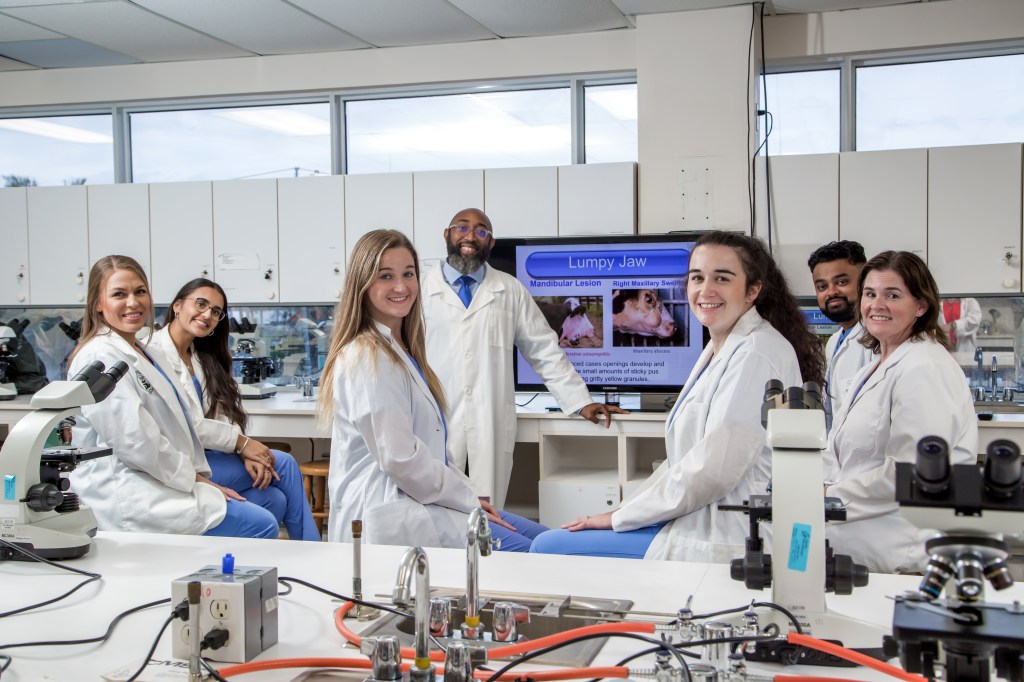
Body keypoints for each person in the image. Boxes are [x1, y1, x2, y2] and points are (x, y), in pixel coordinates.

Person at [531, 231, 824, 561]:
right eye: (697, 277)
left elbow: (712, 470)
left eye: (722, 278)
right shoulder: (724, 346)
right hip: (694, 515)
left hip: (724, 534)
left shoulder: (755, 353)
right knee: (547, 536)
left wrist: (616, 518)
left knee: (546, 548)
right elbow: (683, 463)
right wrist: (626, 511)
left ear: (752, 290)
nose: (705, 290)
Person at [318, 229, 548, 550]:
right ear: (363, 283)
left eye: (408, 274)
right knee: (537, 551)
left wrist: (469, 496)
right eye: (386, 276)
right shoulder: (366, 356)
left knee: (546, 538)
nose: (401, 286)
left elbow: (434, 453)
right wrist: (466, 499)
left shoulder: (402, 350)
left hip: (424, 499)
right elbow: (401, 460)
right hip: (393, 512)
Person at [421, 208, 627, 508]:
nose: (470, 236)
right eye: (462, 227)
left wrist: (580, 401)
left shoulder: (510, 289)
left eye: (481, 231)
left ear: (491, 244)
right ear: (447, 234)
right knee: (432, 508)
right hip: (435, 416)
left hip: (488, 420)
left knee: (486, 516)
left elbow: (543, 349)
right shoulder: (420, 289)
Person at [67, 256, 279, 538]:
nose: (133, 302)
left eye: (140, 292)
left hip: (163, 476)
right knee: (262, 524)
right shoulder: (100, 357)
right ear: (97, 303)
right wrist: (196, 480)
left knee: (270, 500)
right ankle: (215, 579)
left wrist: (200, 477)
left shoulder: (146, 352)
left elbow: (181, 421)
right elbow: (136, 442)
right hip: (132, 491)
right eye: (119, 294)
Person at [825, 251, 977, 573]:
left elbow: (911, 473)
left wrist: (827, 495)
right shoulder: (876, 364)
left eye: (892, 295)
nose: (876, 305)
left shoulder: (925, 367)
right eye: (869, 294)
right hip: (858, 545)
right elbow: (841, 454)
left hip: (902, 554)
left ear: (920, 306)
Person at [150, 278, 321, 541]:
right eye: (201, 304)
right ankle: (313, 553)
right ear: (177, 306)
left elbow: (225, 412)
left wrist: (245, 453)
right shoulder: (153, 354)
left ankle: (247, 571)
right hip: (181, 463)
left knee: (271, 498)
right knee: (284, 464)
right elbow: (186, 422)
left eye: (216, 312)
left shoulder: (201, 355)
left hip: (210, 456)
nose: (207, 314)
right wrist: (242, 444)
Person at [807, 241, 874, 431]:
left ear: (865, 283)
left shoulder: (878, 339)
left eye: (842, 282)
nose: (831, 292)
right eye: (822, 286)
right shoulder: (835, 341)